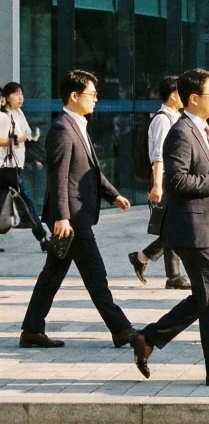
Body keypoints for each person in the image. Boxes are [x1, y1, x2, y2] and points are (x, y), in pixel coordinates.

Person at [128, 68, 209, 387]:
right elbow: (176, 179)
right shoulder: (181, 131)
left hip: (206, 226)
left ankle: (148, 338)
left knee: (203, 298)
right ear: (194, 98)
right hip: (193, 229)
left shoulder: (202, 129)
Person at [20, 70, 134, 349]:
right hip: (72, 218)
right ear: (74, 96)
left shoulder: (78, 125)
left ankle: (32, 330)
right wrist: (61, 216)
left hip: (74, 215)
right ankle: (121, 329)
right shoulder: (62, 128)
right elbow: (58, 176)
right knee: (95, 273)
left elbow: (91, 171)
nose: (96, 99)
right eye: (92, 94)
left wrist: (114, 195)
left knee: (52, 274)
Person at [128, 76, 187, 289]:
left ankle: (143, 258)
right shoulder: (163, 119)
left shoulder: (175, 117)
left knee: (173, 228)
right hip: (164, 179)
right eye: (182, 92)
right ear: (173, 96)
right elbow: (158, 155)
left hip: (172, 179)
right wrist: (157, 185)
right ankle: (173, 276)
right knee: (174, 227)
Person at [0, 81, 49, 244]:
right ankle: (42, 237)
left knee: (12, 204)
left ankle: (42, 236)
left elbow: (27, 135)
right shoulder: (4, 115)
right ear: (6, 98)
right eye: (16, 94)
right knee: (26, 202)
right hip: (6, 168)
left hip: (15, 167)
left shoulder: (19, 113)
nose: (20, 97)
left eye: (21, 93)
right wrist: (17, 139)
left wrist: (32, 159)